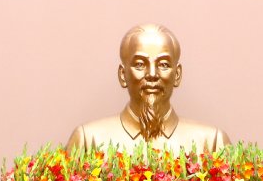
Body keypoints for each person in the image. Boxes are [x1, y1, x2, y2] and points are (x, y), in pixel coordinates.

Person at [66, 24, 230, 152]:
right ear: (122, 74)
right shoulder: (88, 140)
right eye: (140, 64)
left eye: (163, 64)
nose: (152, 74)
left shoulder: (212, 143)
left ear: (177, 74)